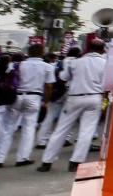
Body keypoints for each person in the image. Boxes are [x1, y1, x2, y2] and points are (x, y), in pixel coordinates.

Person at [38, 39, 107, 173]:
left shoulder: (74, 62)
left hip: (74, 98)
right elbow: (107, 84)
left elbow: (63, 78)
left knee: (61, 129)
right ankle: (75, 162)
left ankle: (47, 162)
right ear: (102, 50)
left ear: (87, 48)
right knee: (86, 131)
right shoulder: (106, 63)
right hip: (95, 97)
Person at [0, 45, 54, 167]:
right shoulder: (48, 67)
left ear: (28, 52)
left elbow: (5, 78)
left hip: (16, 97)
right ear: (42, 52)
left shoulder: (16, 65)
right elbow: (49, 86)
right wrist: (46, 101)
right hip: (34, 98)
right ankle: (22, 158)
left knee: (8, 128)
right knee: (29, 128)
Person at [37, 47, 79, 149]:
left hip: (57, 92)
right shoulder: (78, 62)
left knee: (50, 116)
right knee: (68, 117)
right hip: (71, 92)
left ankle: (42, 140)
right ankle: (65, 138)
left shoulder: (60, 62)